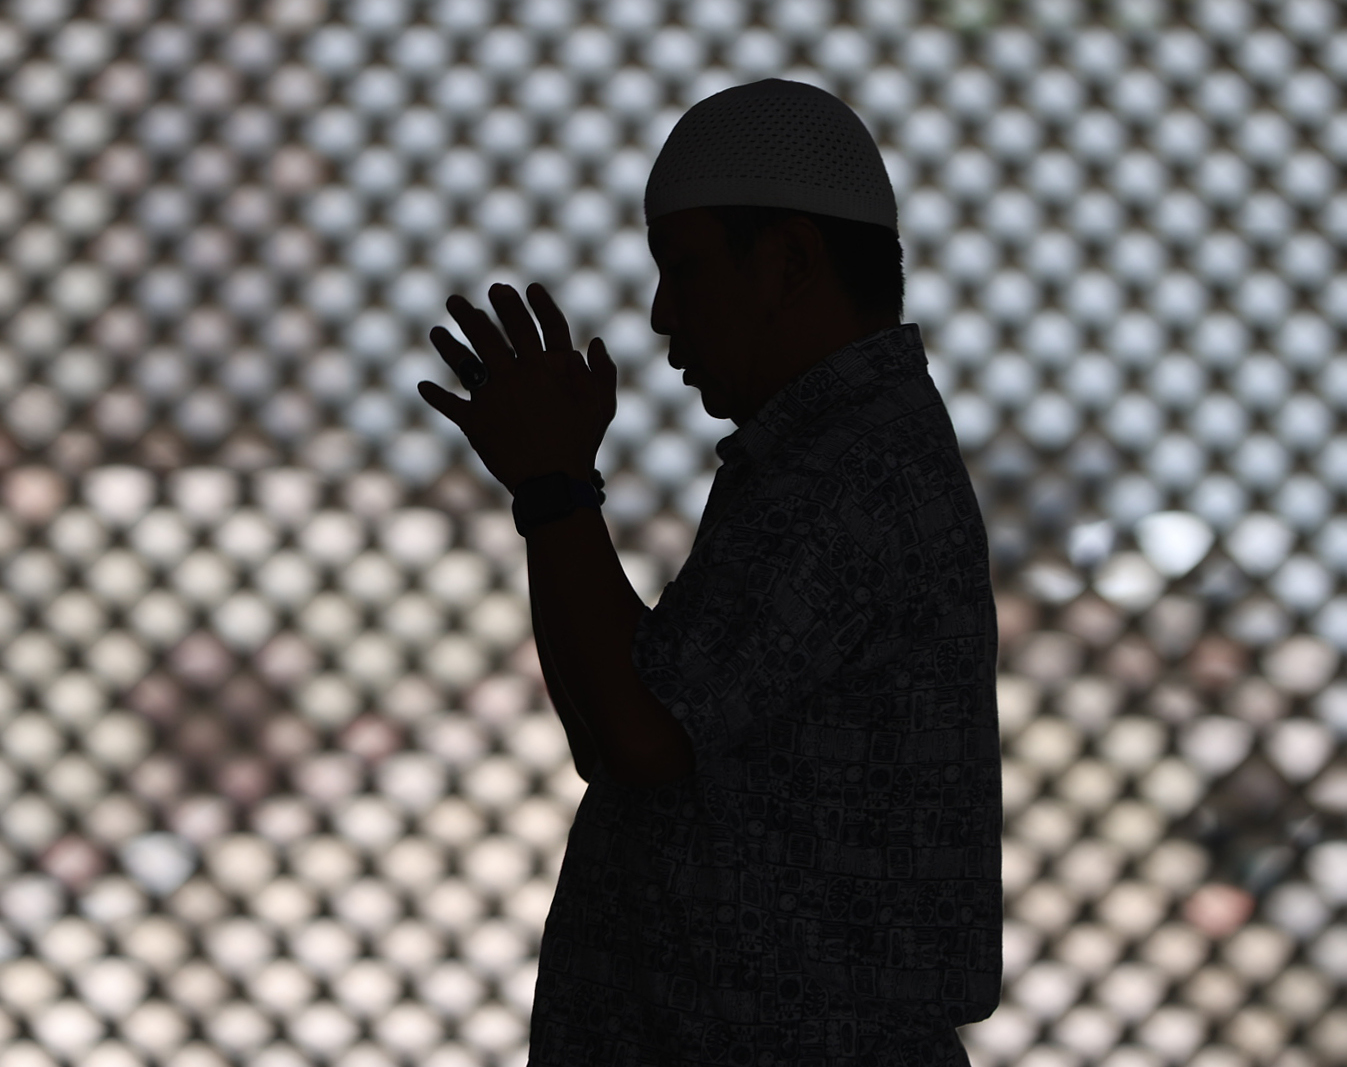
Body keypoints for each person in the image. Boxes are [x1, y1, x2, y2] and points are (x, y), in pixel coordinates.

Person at [419, 78, 1001, 1065]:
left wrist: (558, 489)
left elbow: (644, 733)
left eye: (684, 269)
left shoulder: (848, 471)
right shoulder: (833, 454)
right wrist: (552, 494)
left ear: (784, 262)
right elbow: (616, 731)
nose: (658, 314)